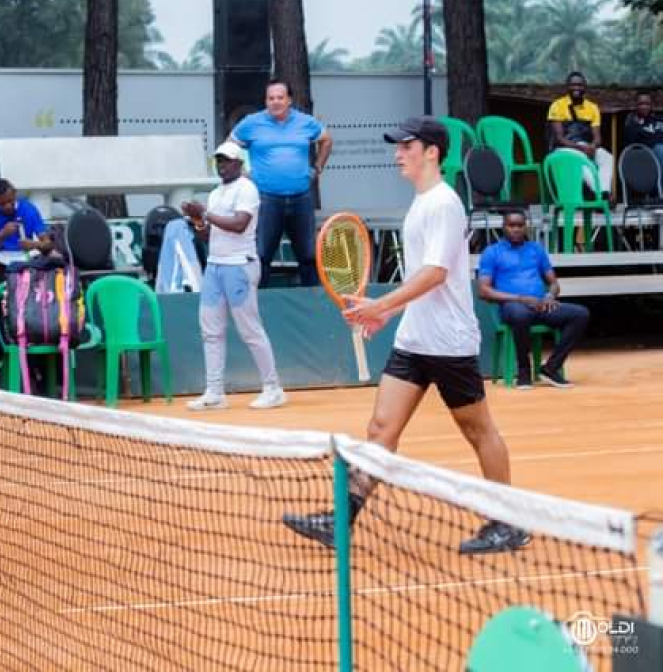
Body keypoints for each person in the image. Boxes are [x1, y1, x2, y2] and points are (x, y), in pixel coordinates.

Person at [282, 116, 529, 555]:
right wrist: (388, 318)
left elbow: (436, 274)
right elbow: (423, 282)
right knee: (380, 428)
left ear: (431, 151)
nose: (397, 153)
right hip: (415, 341)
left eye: (405, 146)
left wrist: (381, 305)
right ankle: (341, 520)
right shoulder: (420, 204)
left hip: (449, 344)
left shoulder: (444, 204)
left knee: (478, 430)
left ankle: (508, 522)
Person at [180, 142, 286, 411]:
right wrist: (196, 220)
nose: (222, 165)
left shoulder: (247, 189)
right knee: (210, 332)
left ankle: (273, 388)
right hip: (215, 267)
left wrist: (204, 213)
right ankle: (214, 392)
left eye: (227, 160)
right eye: (218, 160)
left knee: (250, 330)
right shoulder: (216, 193)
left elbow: (239, 225)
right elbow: (208, 235)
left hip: (240, 266)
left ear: (239, 163)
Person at [229, 79, 333, 287]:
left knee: (309, 256)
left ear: (289, 100)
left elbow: (326, 140)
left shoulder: (305, 122)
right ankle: (259, 304)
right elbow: (229, 147)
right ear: (265, 101)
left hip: (301, 197)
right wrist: (244, 172)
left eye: (280, 97)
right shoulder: (251, 123)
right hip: (267, 198)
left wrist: (318, 167)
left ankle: (312, 304)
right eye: (271, 98)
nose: (275, 102)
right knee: (262, 255)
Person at [478, 210, 589, 389]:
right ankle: (523, 371)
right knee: (520, 314)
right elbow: (484, 291)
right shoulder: (492, 252)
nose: (516, 229)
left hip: (540, 306)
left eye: (520, 225)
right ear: (503, 227)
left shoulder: (536, 249)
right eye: (511, 225)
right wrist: (520, 298)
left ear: (526, 226)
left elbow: (553, 283)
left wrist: (549, 296)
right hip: (511, 308)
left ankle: (551, 368)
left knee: (580, 314)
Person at [0, 178, 53, 289]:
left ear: (15, 194)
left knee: (51, 257)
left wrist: (34, 244)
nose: (8, 206)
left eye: (11, 201)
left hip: (24, 254)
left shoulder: (28, 209)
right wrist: (3, 234)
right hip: (0, 256)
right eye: (2, 204)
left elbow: (48, 244)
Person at [548, 71, 614, 199]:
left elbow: (597, 137)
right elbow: (559, 138)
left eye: (580, 85)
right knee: (579, 158)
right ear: (567, 87)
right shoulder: (557, 106)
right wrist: (582, 148)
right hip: (565, 148)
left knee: (607, 157)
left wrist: (592, 146)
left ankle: (603, 192)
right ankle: (601, 195)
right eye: (573, 85)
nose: (576, 88)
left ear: (585, 87)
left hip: (586, 147)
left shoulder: (592, 107)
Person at [623, 91, 663, 167]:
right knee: (660, 148)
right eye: (641, 104)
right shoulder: (632, 122)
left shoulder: (658, 119)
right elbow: (633, 142)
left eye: (647, 104)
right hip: (645, 156)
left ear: (651, 105)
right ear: (636, 105)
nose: (644, 107)